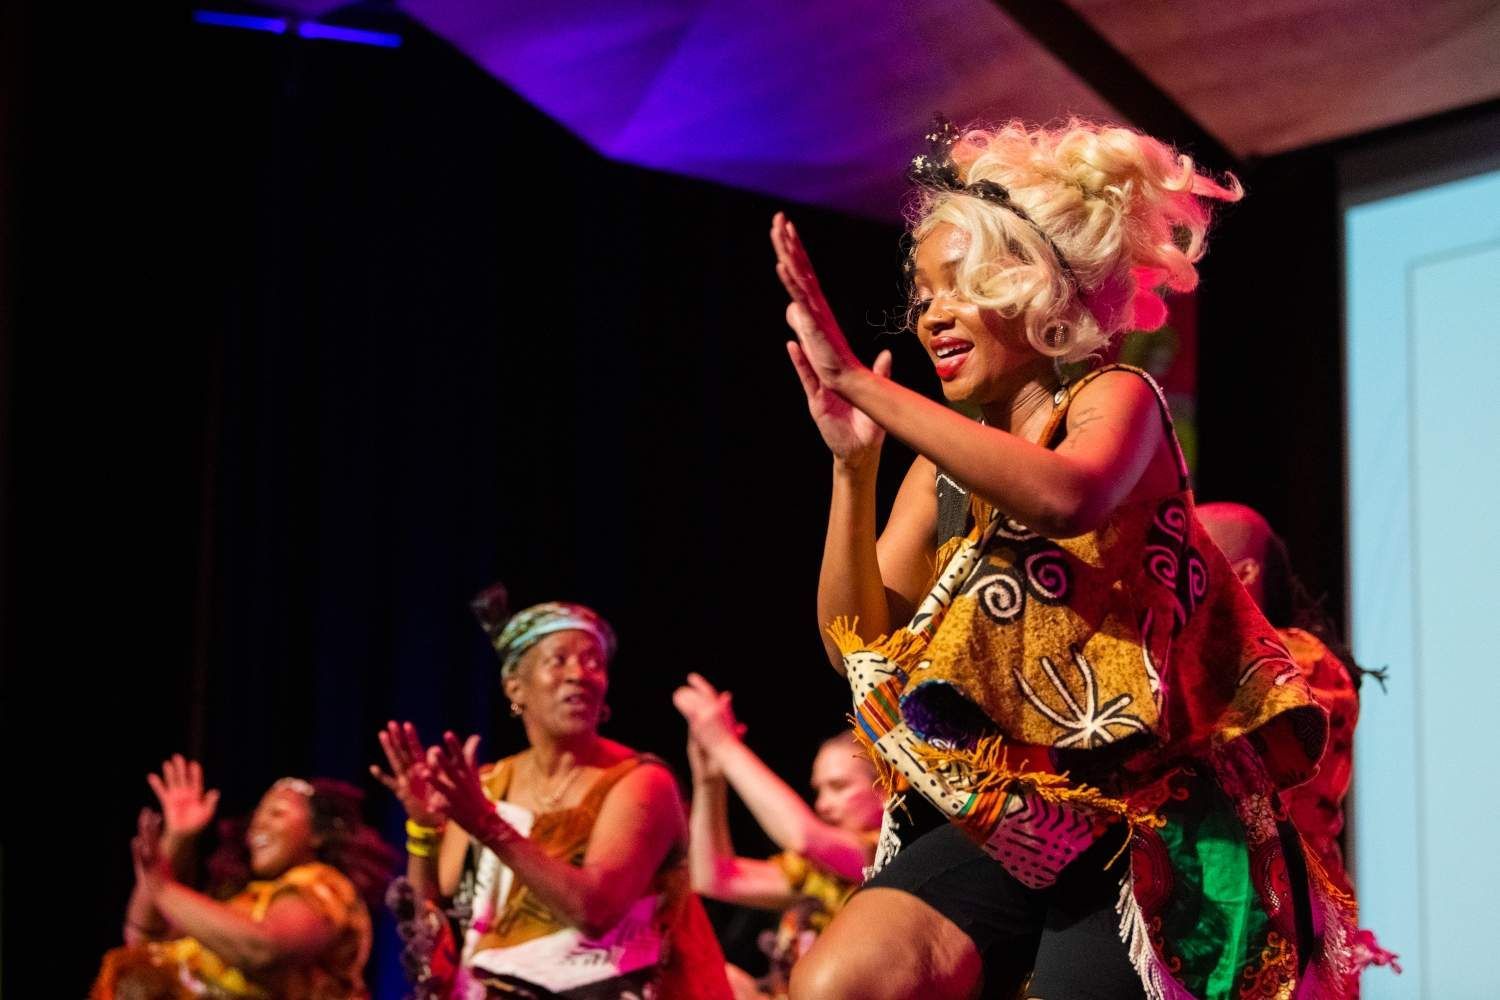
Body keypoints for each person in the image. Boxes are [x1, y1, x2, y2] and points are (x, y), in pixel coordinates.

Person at [771, 117, 1356, 999]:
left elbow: (1066, 496)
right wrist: (852, 469)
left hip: (1146, 821)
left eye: (962, 285)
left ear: (1041, 291)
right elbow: (854, 644)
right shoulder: (937, 468)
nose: (932, 313)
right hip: (1015, 812)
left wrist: (865, 386)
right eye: (923, 293)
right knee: (839, 982)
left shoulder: (1115, 398)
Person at [374, 591, 732, 999]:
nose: (579, 674)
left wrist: (489, 825)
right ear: (515, 688)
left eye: (593, 662)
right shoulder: (490, 784)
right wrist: (423, 827)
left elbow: (594, 910)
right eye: (558, 660)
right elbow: (431, 921)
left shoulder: (642, 782)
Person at [1198, 501, 1399, 989]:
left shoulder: (1301, 662)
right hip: (1236, 936)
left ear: (1244, 574)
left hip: (1286, 951)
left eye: (1186, 556)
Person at [93, 755, 393, 1000]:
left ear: (317, 834)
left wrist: (163, 889)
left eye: (276, 813)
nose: (259, 824)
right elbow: (144, 937)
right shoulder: (243, 904)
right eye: (257, 815)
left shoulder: (327, 886)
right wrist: (176, 838)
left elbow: (264, 948)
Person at [674, 672, 884, 998]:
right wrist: (709, 781)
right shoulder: (819, 873)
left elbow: (802, 836)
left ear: (884, 789)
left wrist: (724, 745)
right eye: (819, 790)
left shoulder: (888, 856)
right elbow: (714, 877)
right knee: (718, 976)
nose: (823, 804)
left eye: (838, 787)